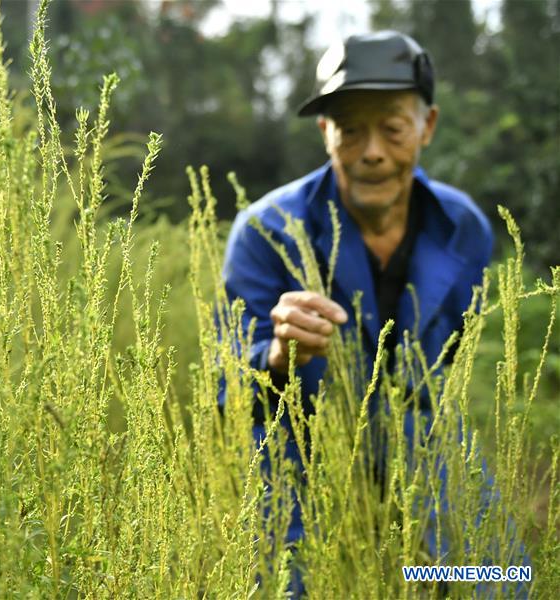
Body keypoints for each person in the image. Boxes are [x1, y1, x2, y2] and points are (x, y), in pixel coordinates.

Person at [217, 31, 496, 591]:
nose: (372, 150)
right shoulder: (265, 233)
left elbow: (453, 360)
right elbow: (224, 389)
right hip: (299, 460)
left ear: (427, 126)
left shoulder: (464, 227)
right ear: (326, 134)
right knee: (290, 586)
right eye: (350, 129)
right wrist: (275, 355)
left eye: (392, 127)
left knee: (495, 576)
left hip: (425, 445)